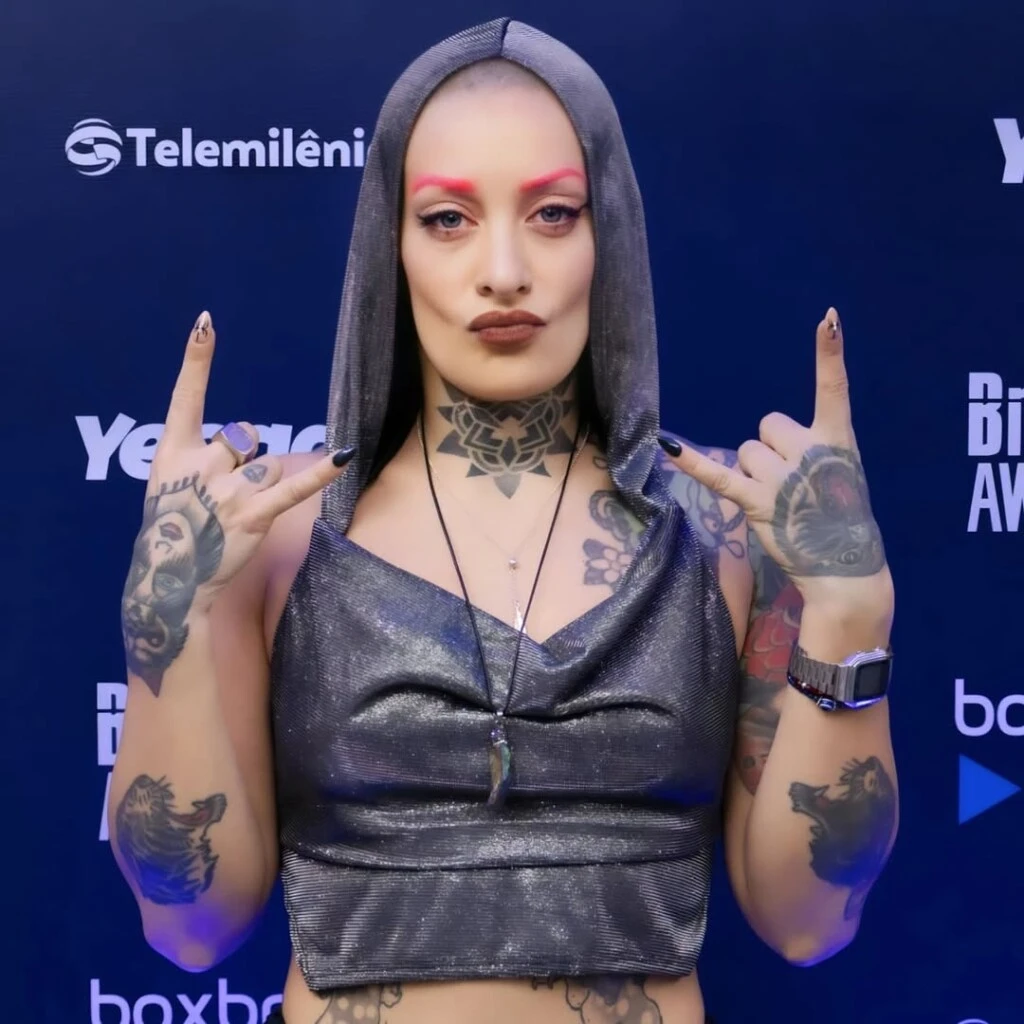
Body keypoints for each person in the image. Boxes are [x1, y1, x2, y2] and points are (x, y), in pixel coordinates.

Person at [109, 18, 899, 1024]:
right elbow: (187, 928)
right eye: (447, 218)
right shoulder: (272, 538)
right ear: (390, 248)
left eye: (553, 214)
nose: (503, 269)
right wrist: (169, 618)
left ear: (609, 237)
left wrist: (847, 613)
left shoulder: (732, 537)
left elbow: (810, 923)